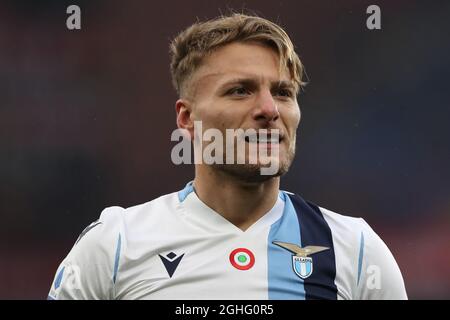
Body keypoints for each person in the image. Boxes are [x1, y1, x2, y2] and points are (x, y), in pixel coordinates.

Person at [48, 13, 407, 300]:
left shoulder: (355, 250)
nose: (269, 109)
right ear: (187, 118)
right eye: (240, 91)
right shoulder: (115, 246)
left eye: (283, 93)